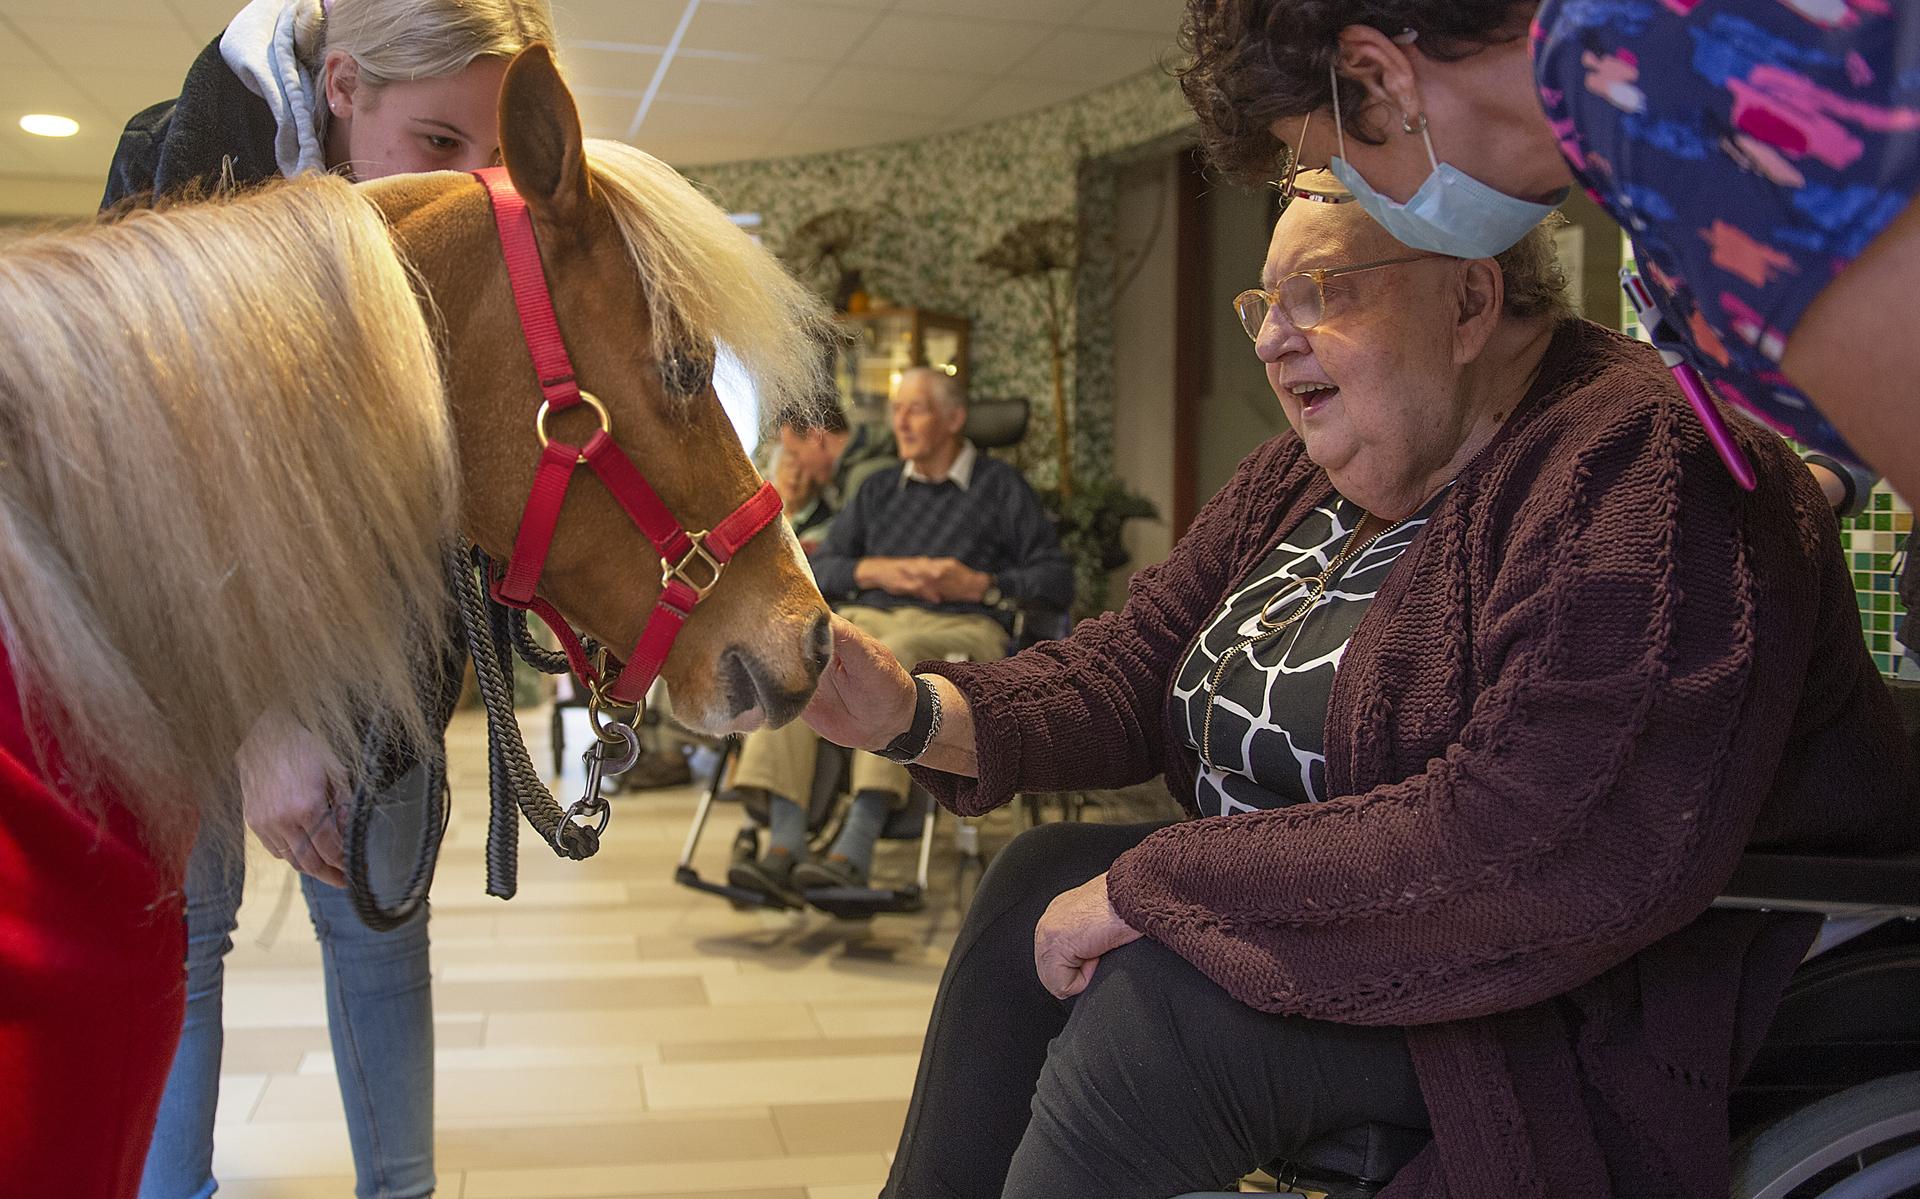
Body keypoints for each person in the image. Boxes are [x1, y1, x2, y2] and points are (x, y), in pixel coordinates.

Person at [797, 177, 1918, 1197]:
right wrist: (916, 714)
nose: (1276, 341)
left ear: (1471, 301)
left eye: (1319, 291)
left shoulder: (1629, 459)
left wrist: (1160, 884)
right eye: (1263, 305)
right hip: (1369, 919)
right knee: (1033, 880)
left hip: (1570, 978)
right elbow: (1137, 662)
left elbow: (1534, 837)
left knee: (1153, 1015)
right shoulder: (1307, 465)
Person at [100, 2, 555, 1196]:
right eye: (443, 143)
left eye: (500, 148)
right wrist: (251, 724)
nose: (478, 185)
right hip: (180, 661)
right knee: (180, 944)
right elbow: (142, 473)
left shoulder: (470, 221)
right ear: (342, 85)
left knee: (379, 930)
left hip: (386, 645)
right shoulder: (165, 161)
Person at [1175, 0, 1920, 507]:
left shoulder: (1647, 65)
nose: (1353, 192)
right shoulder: (1631, 118)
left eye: (1331, 161)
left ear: (1379, 75)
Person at [728, 367, 1072, 903]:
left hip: (964, 625)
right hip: (879, 615)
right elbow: (823, 565)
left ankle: (857, 844)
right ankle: (785, 841)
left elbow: (1055, 577)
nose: (900, 421)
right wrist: (877, 572)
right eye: (897, 409)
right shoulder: (879, 488)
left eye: (917, 408)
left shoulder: (1000, 487)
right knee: (808, 648)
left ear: (955, 419)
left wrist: (980, 583)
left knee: (888, 655)